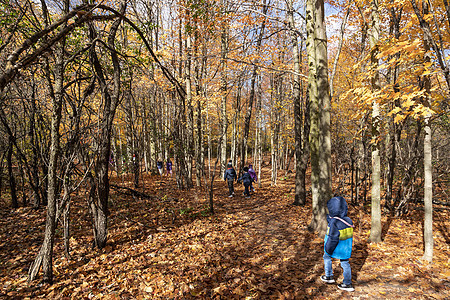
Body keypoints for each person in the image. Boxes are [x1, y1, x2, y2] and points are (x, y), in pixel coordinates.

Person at [321, 196, 355, 292]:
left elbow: (333, 238)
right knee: (345, 263)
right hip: (346, 249)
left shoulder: (334, 223)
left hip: (334, 247)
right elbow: (336, 221)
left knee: (326, 257)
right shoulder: (348, 220)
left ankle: (329, 276)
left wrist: (328, 249)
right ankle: (348, 283)